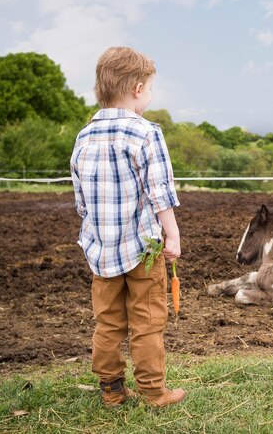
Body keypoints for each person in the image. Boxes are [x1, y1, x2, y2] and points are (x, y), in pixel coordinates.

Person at [70, 47, 185, 408]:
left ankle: (112, 391)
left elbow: (81, 202)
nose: (150, 95)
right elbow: (160, 192)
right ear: (137, 88)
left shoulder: (84, 136)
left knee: (108, 324)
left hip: (101, 252)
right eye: (150, 88)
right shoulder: (145, 132)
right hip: (143, 253)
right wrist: (173, 234)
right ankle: (154, 392)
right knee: (148, 321)